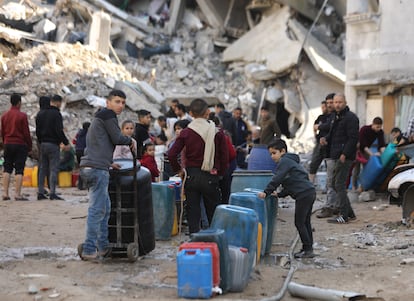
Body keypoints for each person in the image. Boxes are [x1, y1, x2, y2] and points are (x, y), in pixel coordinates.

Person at [79, 89, 135, 261]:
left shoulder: (99, 118)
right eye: (117, 101)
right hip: (96, 169)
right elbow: (118, 138)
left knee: (106, 207)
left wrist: (109, 163)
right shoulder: (108, 115)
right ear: (108, 102)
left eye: (123, 102)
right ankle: (89, 249)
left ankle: (103, 247)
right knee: (97, 209)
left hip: (93, 166)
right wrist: (130, 140)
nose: (120, 105)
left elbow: (97, 144)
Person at [168, 98, 229, 234]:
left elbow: (171, 154)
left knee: (193, 213)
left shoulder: (186, 132)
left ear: (191, 113)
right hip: (211, 175)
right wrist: (220, 173)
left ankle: (194, 242)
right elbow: (225, 157)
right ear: (207, 112)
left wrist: (179, 170)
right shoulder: (216, 132)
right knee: (213, 213)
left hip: (191, 176)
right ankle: (214, 242)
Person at [257, 139, 316, 258]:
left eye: (274, 153)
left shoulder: (284, 162)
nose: (272, 156)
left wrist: (266, 192)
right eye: (270, 154)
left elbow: (277, 179)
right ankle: (308, 248)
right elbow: (290, 184)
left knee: (299, 222)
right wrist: (279, 194)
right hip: (309, 192)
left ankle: (308, 249)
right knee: (305, 222)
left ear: (282, 151)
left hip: (303, 194)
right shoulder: (290, 162)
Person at [321, 93, 359, 224]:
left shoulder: (351, 118)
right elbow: (332, 134)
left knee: (339, 185)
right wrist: (325, 139)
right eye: (335, 102)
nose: (337, 104)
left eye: (339, 102)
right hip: (335, 155)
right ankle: (350, 213)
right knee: (335, 184)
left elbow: (353, 138)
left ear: (345, 102)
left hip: (344, 157)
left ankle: (344, 215)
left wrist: (344, 154)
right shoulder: (336, 117)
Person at [36, 94, 70, 201]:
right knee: (53, 168)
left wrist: (41, 141)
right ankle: (52, 193)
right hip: (53, 145)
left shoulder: (40, 114)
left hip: (43, 144)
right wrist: (65, 142)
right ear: (57, 102)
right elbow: (59, 131)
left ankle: (40, 192)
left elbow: (37, 131)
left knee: (42, 168)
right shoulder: (56, 114)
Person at [1, 94, 32, 201]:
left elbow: (2, 132)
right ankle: (17, 194)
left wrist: (4, 142)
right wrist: (29, 145)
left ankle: (5, 193)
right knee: (19, 169)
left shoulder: (4, 116)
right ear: (19, 102)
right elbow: (26, 133)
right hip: (19, 144)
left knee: (7, 168)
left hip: (8, 144)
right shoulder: (22, 116)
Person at [352, 117, 386, 190]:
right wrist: (372, 154)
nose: (378, 129)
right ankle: (354, 187)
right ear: (373, 124)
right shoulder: (364, 129)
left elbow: (381, 145)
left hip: (366, 150)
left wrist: (384, 154)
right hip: (358, 150)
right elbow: (363, 145)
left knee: (367, 168)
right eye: (377, 127)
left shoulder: (380, 132)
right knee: (356, 169)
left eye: (380, 127)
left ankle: (363, 187)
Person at [308, 98, 331, 184]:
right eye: (322, 107)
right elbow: (314, 126)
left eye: (324, 107)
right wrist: (316, 134)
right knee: (314, 163)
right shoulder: (320, 117)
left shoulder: (331, 117)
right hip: (319, 144)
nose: (323, 109)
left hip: (328, 144)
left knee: (329, 165)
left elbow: (327, 127)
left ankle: (328, 186)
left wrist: (320, 127)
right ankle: (310, 184)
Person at [73, 121, 90, 189]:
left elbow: (74, 142)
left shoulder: (78, 134)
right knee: (86, 168)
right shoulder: (88, 134)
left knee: (81, 167)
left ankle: (80, 185)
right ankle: (85, 184)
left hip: (77, 151)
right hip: (84, 152)